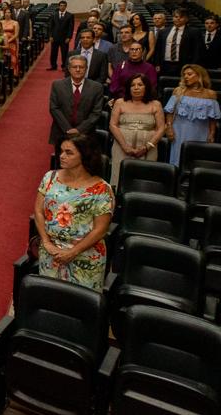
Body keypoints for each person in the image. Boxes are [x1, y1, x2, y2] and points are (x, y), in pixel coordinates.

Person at [34, 134, 114, 291]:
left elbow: (100, 230)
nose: (62, 156)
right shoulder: (50, 178)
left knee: (79, 307)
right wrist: (46, 242)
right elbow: (38, 211)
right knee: (49, 301)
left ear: (84, 155)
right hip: (51, 253)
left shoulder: (102, 189)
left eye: (69, 153)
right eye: (61, 151)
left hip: (84, 256)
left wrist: (72, 252)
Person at [108, 74, 166, 185]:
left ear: (147, 87)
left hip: (148, 149)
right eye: (132, 85)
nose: (136, 88)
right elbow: (112, 125)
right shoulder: (120, 102)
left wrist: (147, 146)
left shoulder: (156, 104)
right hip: (122, 147)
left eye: (140, 84)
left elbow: (161, 128)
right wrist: (125, 146)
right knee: (119, 178)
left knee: (144, 179)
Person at [164, 64, 219, 167]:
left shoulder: (210, 94)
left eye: (189, 74)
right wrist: (169, 128)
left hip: (201, 131)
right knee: (177, 158)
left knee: (197, 160)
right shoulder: (178, 91)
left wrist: (212, 133)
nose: (186, 77)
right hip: (179, 131)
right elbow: (169, 112)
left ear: (199, 76)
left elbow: (213, 118)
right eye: (184, 74)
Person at [49, 55, 105, 153]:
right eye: (75, 67)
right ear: (69, 69)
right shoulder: (57, 85)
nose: (78, 69)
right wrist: (68, 129)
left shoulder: (97, 87)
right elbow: (54, 108)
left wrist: (79, 130)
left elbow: (96, 113)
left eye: (81, 67)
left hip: (86, 134)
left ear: (86, 69)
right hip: (62, 132)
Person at [160, 7, 203, 78]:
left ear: (187, 19)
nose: (178, 19)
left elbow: (197, 51)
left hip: (184, 65)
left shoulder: (194, 32)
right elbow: (159, 49)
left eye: (181, 17)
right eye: (176, 17)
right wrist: (158, 64)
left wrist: (192, 66)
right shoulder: (163, 31)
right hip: (165, 65)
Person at [48, 0, 73, 71]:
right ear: (59, 6)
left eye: (64, 6)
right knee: (53, 52)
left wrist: (69, 37)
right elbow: (51, 26)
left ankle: (64, 66)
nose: (62, 7)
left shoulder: (70, 15)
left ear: (66, 6)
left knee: (64, 53)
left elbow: (71, 27)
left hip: (64, 38)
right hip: (54, 37)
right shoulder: (54, 14)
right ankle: (53, 66)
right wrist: (50, 36)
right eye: (61, 5)